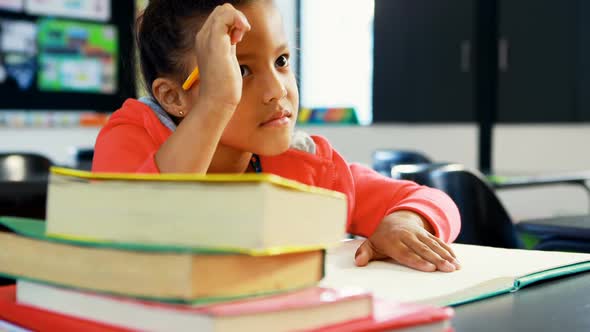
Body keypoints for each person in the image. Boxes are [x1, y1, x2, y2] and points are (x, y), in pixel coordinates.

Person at [92, 0, 462, 272]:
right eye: (239, 69)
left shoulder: (303, 164)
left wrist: (405, 222)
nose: (276, 90)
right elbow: (135, 227)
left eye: (281, 61)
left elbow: (430, 199)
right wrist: (218, 100)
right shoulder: (131, 137)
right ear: (173, 98)